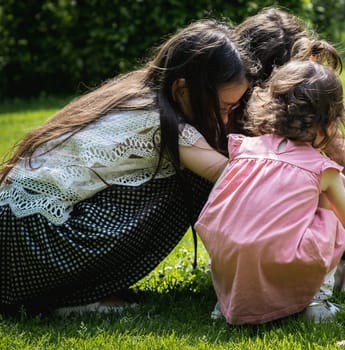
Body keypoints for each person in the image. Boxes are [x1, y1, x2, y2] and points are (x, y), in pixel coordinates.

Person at [0, 19, 253, 315]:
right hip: (30, 241)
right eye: (223, 108)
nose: (225, 120)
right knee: (192, 180)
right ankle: (68, 297)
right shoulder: (168, 127)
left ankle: (61, 292)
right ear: (183, 88)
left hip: (14, 229)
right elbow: (231, 174)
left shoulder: (134, 96)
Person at [195, 60, 345, 325]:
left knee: (238, 221)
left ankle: (224, 304)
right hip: (279, 257)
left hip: (224, 249)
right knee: (332, 213)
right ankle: (316, 301)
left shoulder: (245, 148)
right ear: (329, 122)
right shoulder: (321, 169)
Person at [231, 6, 345, 258]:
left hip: (266, 244)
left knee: (335, 180)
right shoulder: (241, 133)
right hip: (263, 232)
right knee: (332, 182)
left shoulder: (306, 121)